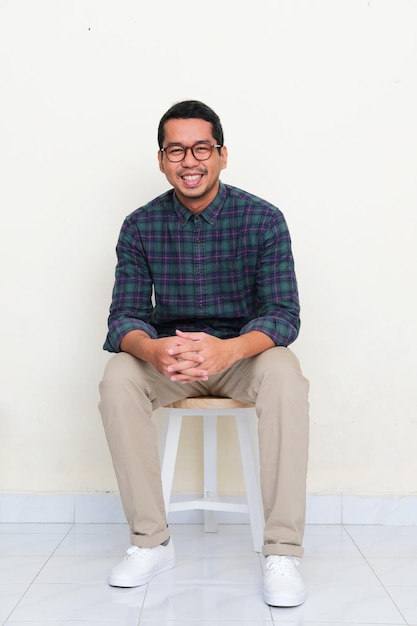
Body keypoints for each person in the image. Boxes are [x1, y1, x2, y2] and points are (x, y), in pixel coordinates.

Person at [99, 100, 310, 608]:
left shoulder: (263, 219)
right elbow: (123, 317)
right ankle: (150, 542)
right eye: (177, 150)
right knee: (117, 376)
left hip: (242, 357)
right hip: (170, 361)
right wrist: (151, 349)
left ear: (221, 154)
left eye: (201, 148)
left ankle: (281, 550)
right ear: (161, 159)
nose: (189, 161)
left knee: (285, 373)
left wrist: (228, 350)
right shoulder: (140, 225)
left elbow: (283, 314)